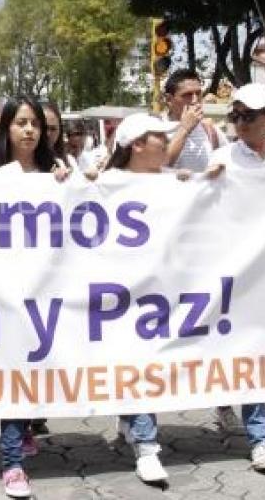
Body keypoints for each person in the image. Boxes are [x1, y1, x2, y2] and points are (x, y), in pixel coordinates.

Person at [207, 83, 265, 472]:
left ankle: (259, 437)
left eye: (250, 116)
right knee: (237, 345)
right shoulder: (224, 156)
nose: (241, 123)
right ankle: (235, 409)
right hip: (230, 269)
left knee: (256, 348)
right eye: (236, 116)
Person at [101, 112, 186, 485]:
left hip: (165, 291)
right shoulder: (108, 184)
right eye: (158, 137)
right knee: (137, 359)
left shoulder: (175, 182)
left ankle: (131, 422)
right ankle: (147, 445)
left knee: (149, 363)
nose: (166, 142)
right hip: (121, 293)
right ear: (137, 145)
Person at [0, 95, 67, 498]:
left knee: (37, 369)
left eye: (35, 123)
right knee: (12, 372)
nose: (29, 130)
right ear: (7, 129)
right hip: (6, 291)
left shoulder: (57, 173)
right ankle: (12, 463)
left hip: (49, 288)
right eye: (20, 122)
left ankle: (25, 430)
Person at [164, 69, 228, 171]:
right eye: (187, 95)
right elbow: (157, 169)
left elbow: (227, 165)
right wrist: (184, 129)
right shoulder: (157, 130)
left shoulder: (211, 130)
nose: (194, 100)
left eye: (198, 93)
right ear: (169, 99)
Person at [42, 99, 77, 170]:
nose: (48, 134)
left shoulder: (69, 162)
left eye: (53, 129)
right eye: (44, 128)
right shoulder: (18, 165)